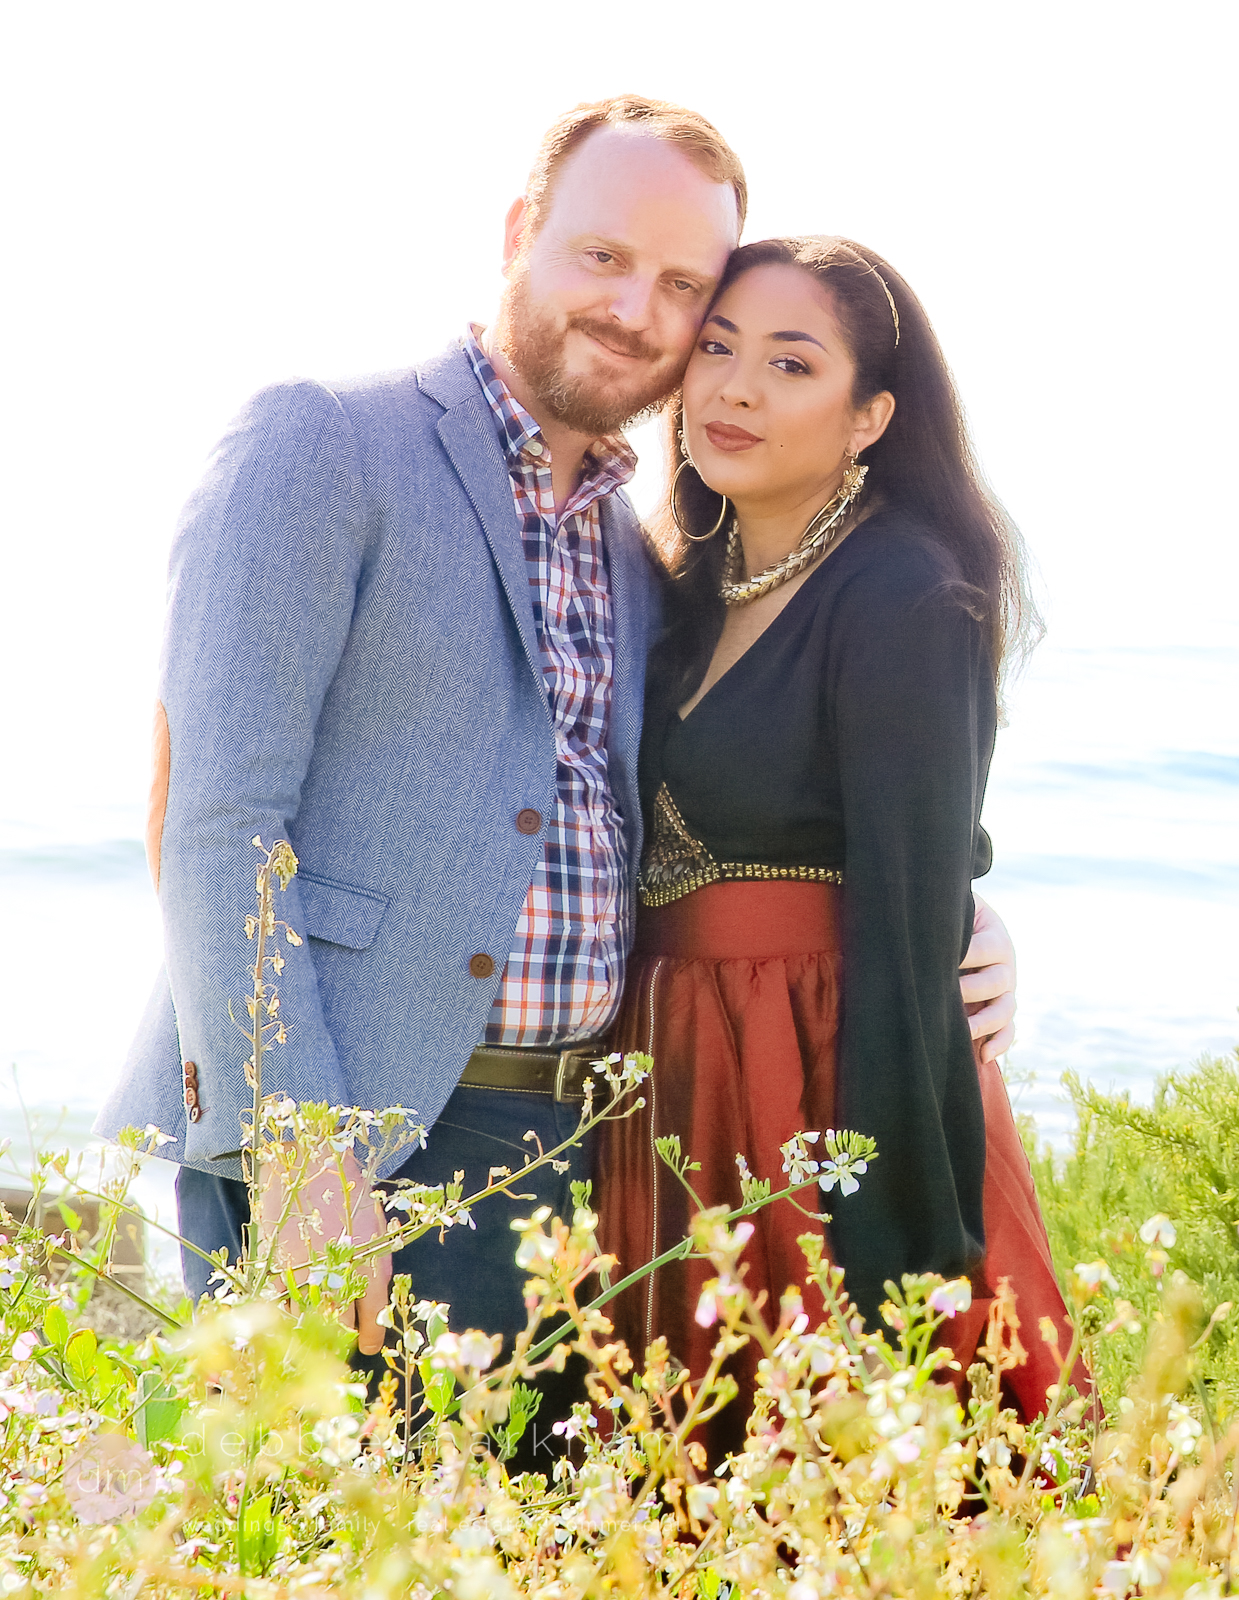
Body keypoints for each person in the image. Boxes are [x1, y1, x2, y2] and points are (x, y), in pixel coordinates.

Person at [93, 98, 1018, 1431]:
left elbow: (736, 807)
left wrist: (965, 918)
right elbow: (215, 811)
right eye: (603, 257)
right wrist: (296, 1140)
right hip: (362, 1133)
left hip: (589, 1156)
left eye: (682, 288)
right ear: (522, 232)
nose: (638, 309)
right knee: (321, 1539)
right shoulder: (323, 443)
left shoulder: (644, 560)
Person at [597, 237, 1085, 1451]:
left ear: (868, 416)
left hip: (818, 1067)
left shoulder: (903, 590)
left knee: (847, 1458)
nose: (734, 388)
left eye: (789, 363)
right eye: (715, 349)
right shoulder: (678, 584)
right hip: (673, 1062)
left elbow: (919, 898)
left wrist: (890, 1237)